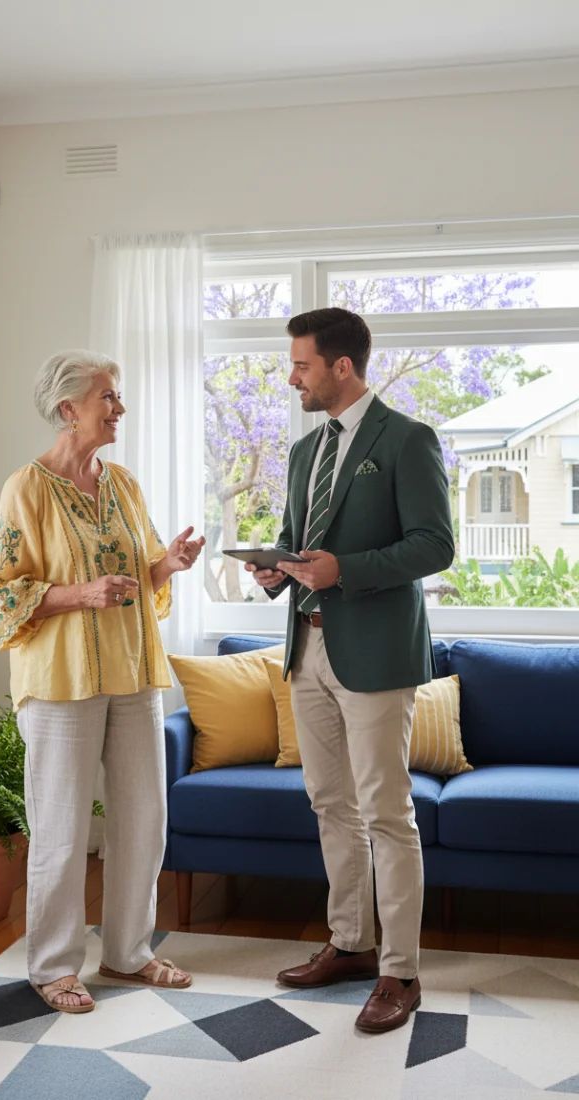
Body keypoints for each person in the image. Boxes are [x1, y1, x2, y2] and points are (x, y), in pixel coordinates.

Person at [247, 308, 454, 1033]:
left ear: (341, 367)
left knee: (387, 815)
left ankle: (401, 971)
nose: (292, 377)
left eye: (301, 364)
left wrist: (345, 572)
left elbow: (435, 545)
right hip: (307, 649)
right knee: (330, 804)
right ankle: (351, 944)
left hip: (376, 654)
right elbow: (299, 540)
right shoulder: (306, 452)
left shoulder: (407, 440)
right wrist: (278, 566)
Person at [0, 350, 205, 1014]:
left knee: (144, 817)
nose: (120, 407)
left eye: (119, 395)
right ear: (68, 409)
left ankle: (129, 953)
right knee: (59, 826)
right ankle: (53, 966)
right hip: (60, 681)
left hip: (134, 669)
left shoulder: (124, 484)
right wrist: (79, 593)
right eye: (108, 396)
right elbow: (3, 597)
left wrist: (166, 563)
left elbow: (140, 574)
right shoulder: (25, 487)